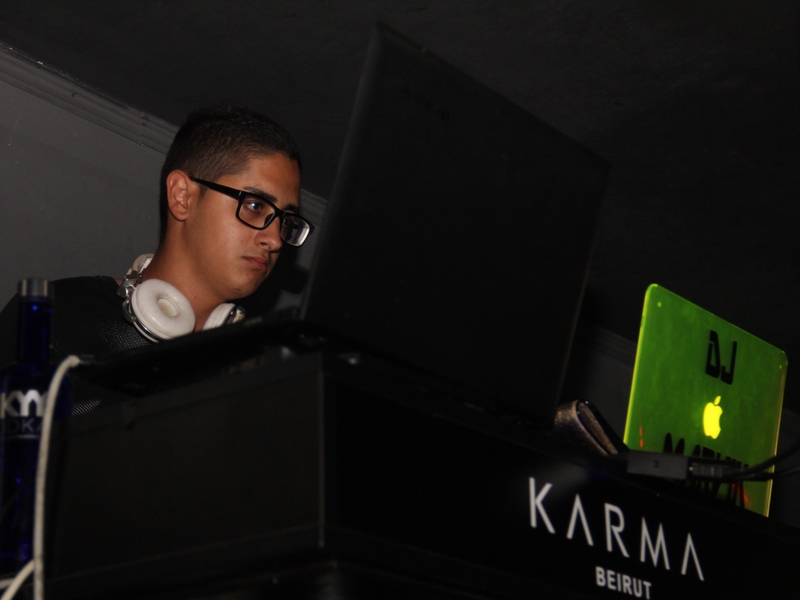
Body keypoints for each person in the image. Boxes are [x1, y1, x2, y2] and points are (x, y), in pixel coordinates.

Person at [0, 104, 310, 369]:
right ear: (182, 196)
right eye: (255, 206)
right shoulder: (56, 316)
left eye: (286, 221)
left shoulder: (265, 372)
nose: (275, 240)